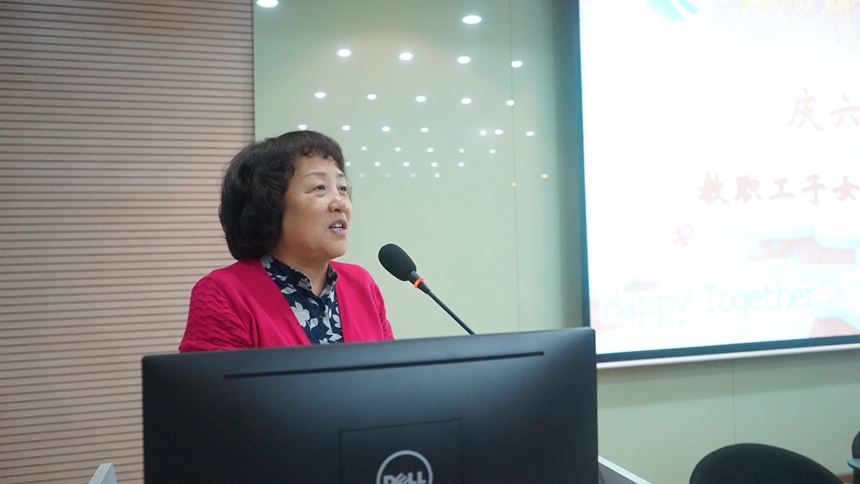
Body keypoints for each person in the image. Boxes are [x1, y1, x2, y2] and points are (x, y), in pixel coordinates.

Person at [179, 130, 394, 352]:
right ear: (269, 205)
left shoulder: (362, 285)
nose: (340, 203)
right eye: (319, 188)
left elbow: (390, 369)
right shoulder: (222, 294)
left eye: (342, 189)